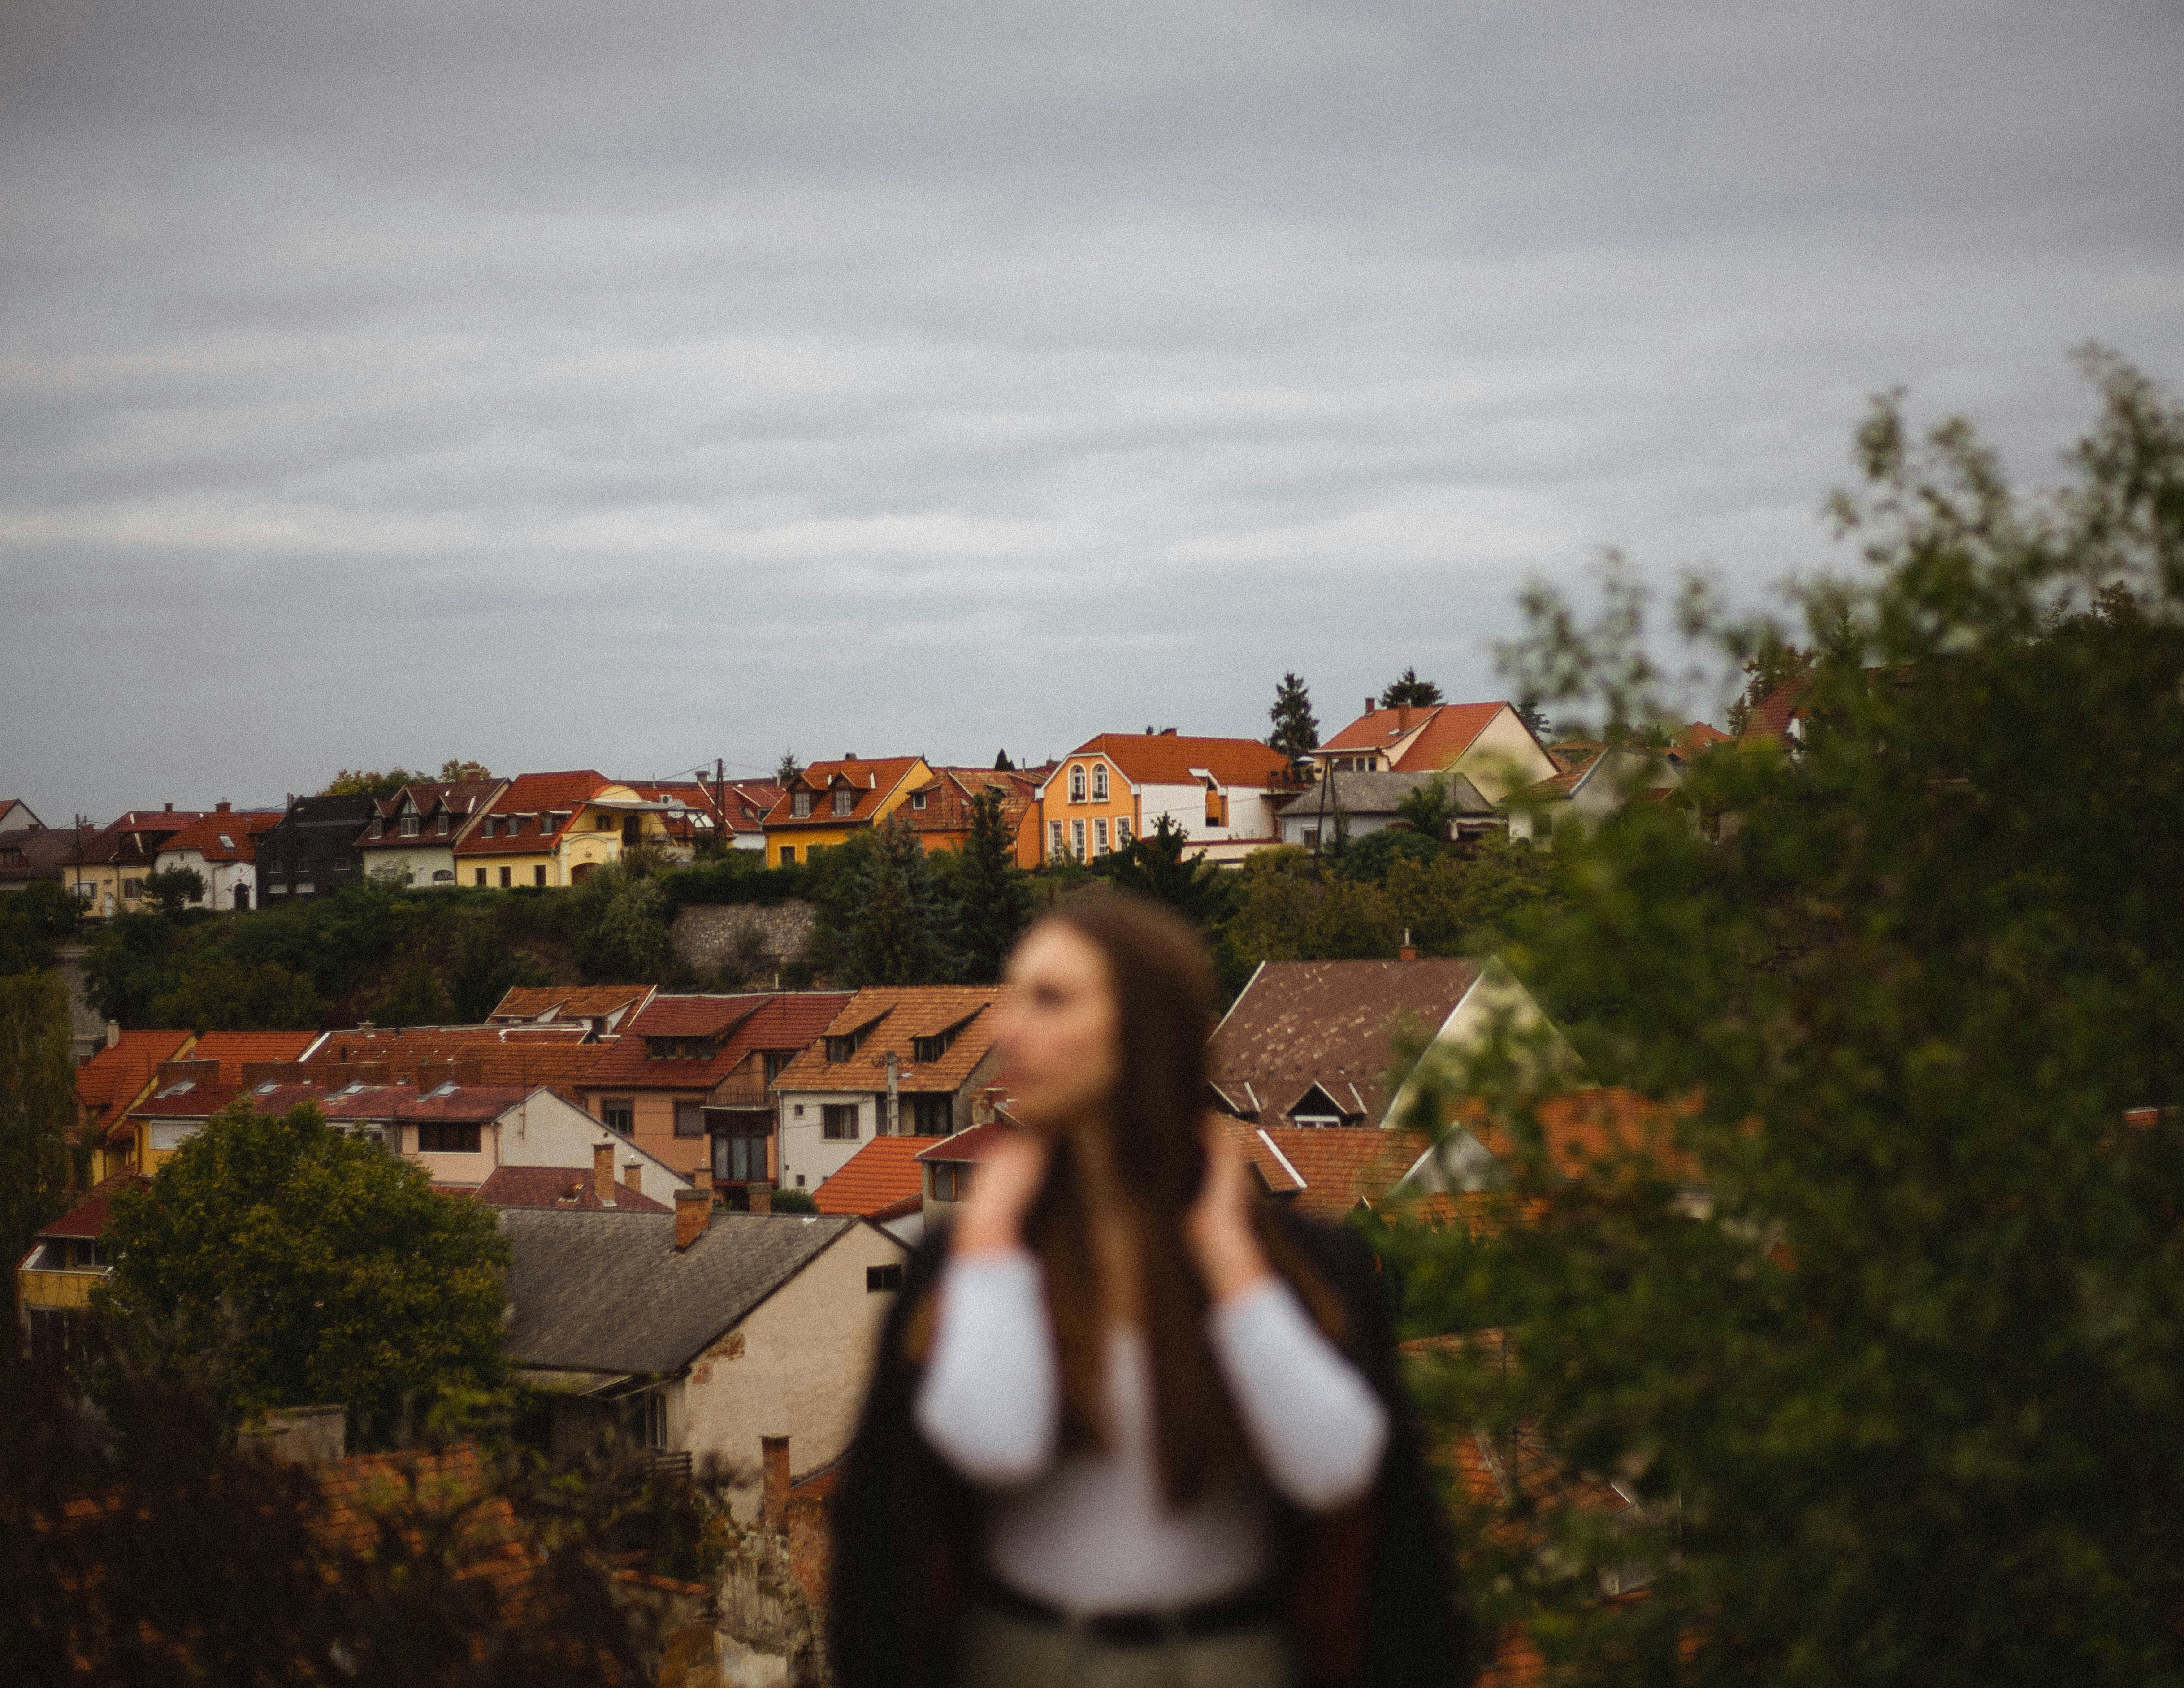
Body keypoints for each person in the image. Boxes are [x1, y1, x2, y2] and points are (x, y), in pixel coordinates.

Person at [830, 894, 1472, 1688]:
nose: (1006, 1029)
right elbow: (985, 1452)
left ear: (1145, 1028)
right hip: (1027, 1658)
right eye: (1013, 992)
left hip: (1232, 1658)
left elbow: (1343, 1472)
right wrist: (991, 1242)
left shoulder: (1310, 1266)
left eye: (1052, 998)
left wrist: (1229, 1261)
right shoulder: (961, 1269)